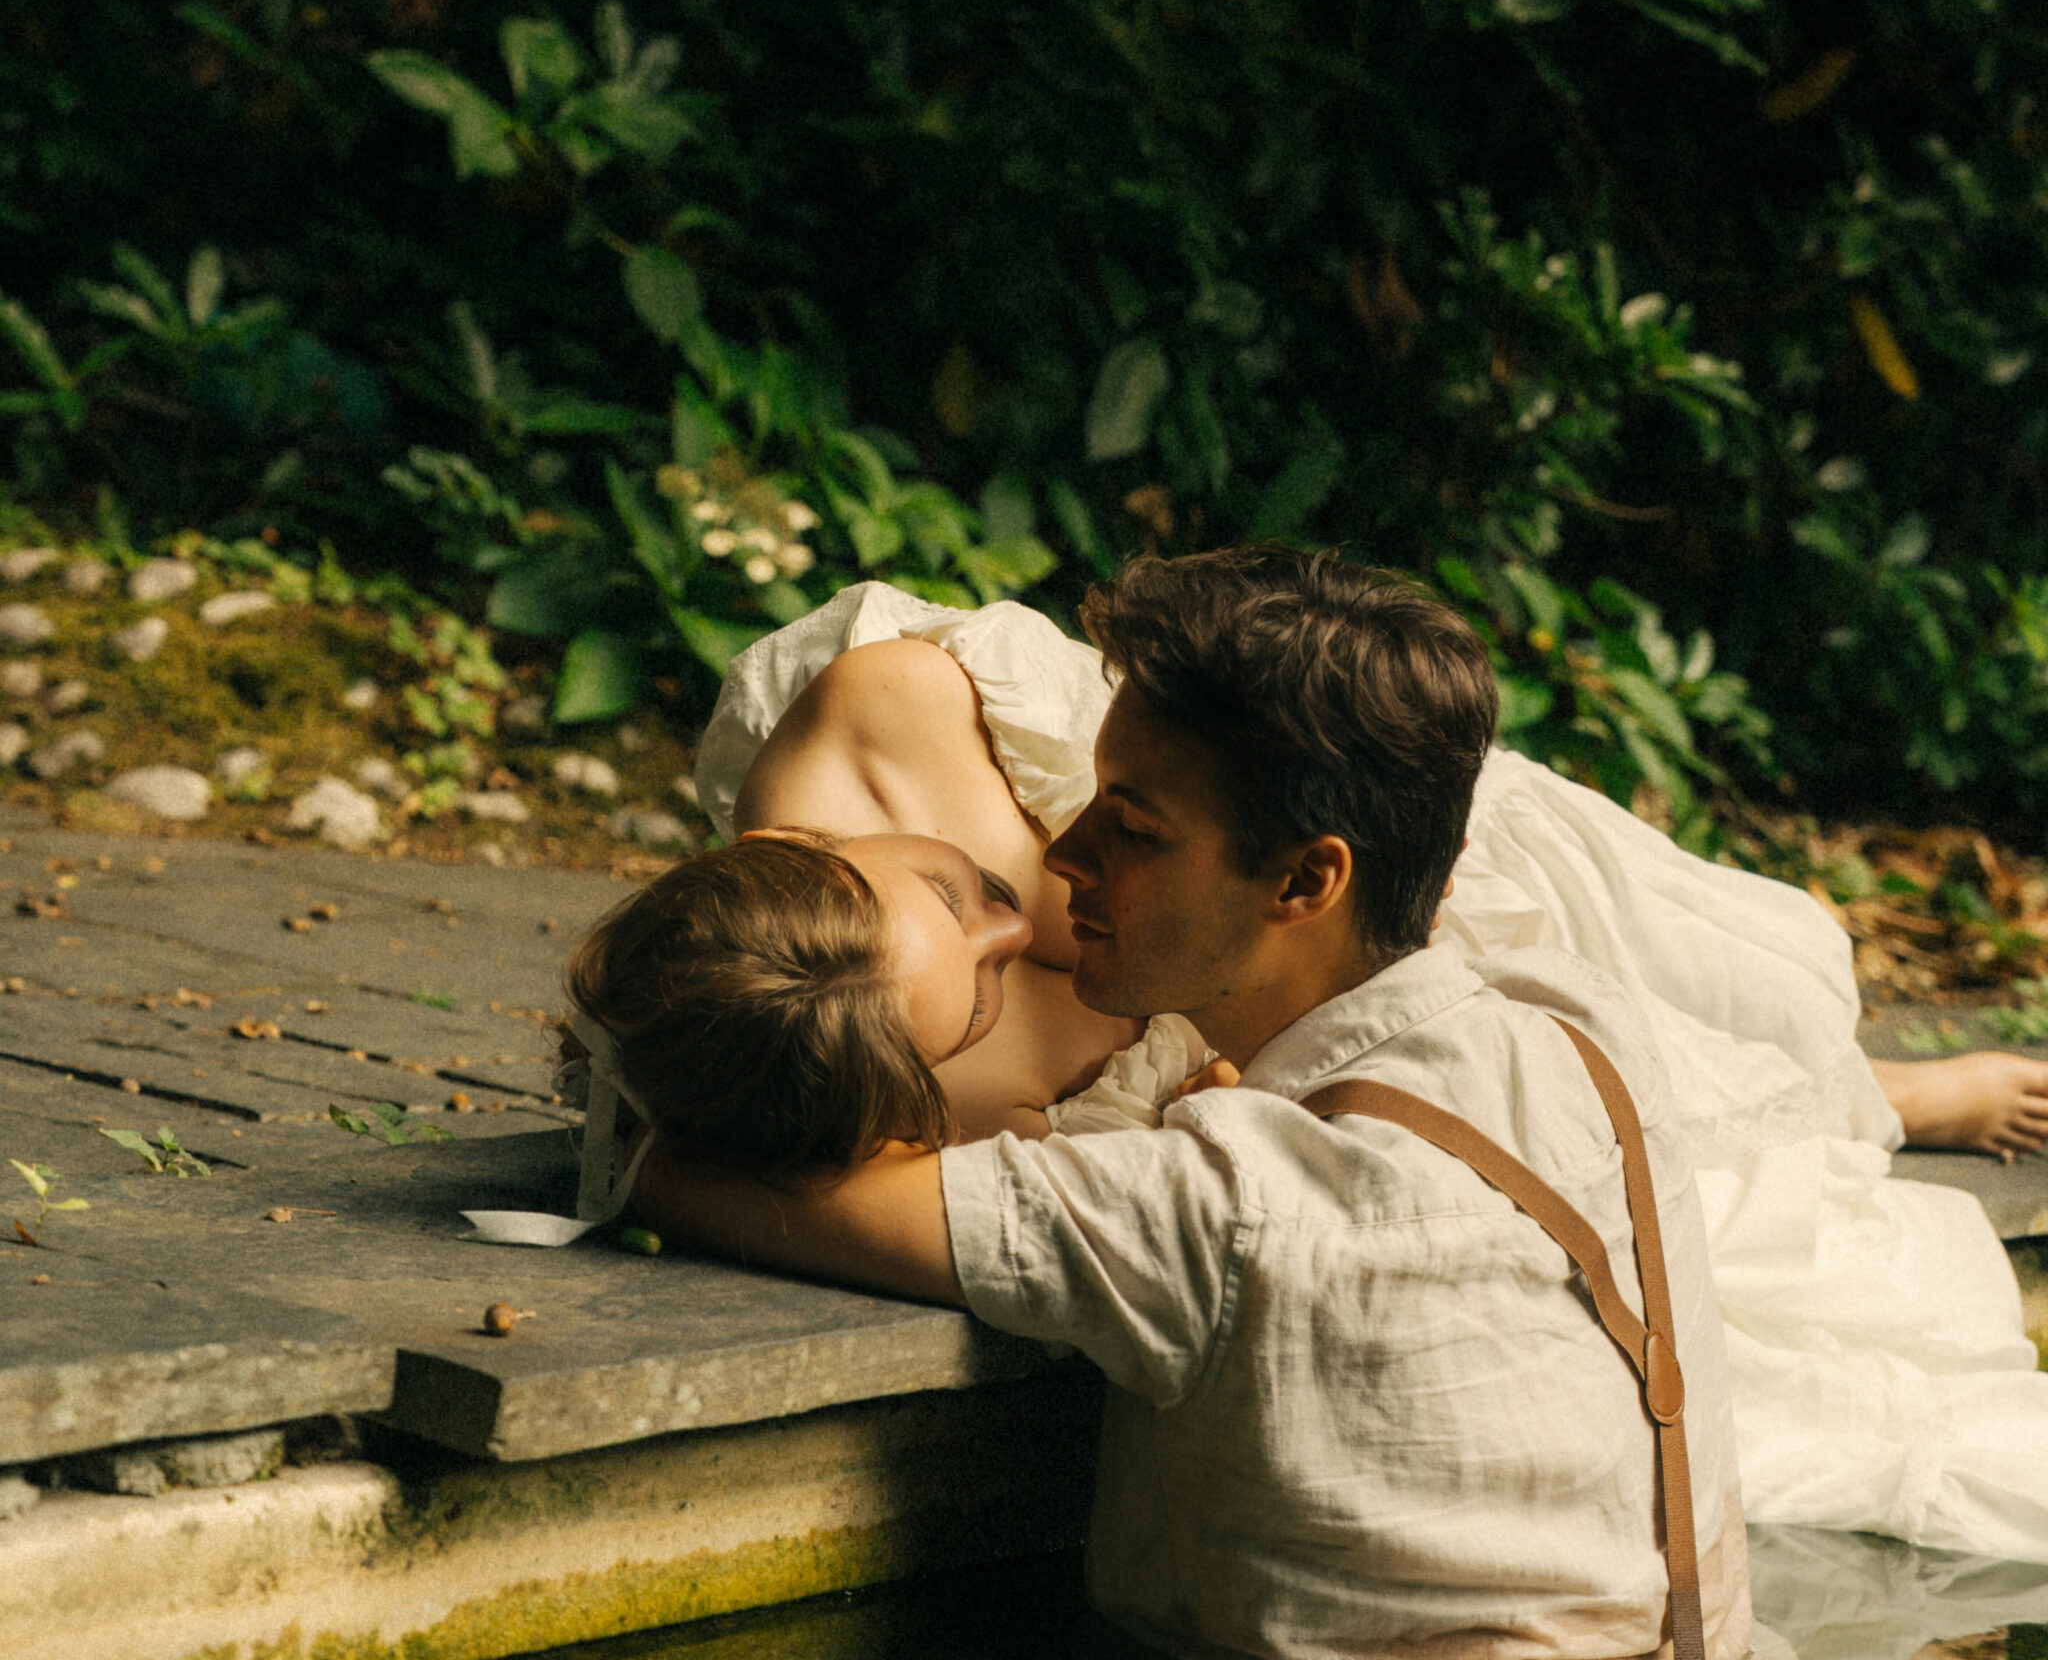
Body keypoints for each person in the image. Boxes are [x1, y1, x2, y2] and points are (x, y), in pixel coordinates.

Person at [569, 556, 2048, 1565]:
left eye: (964, 897)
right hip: (1307, 1014)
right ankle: (1892, 1104)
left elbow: (1213, 758)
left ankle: (1877, 1086)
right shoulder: (886, 1090)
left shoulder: (884, 718)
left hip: (1346, 877)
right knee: (1662, 1165)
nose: (1030, 934)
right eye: (972, 1002)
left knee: (1770, 974)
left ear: (793, 851)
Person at [634, 548, 1794, 1660]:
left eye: (1129, 827)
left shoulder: (1223, 1208)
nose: (1064, 854)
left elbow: (683, 1173)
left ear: (1303, 878)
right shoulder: (1585, 1031)